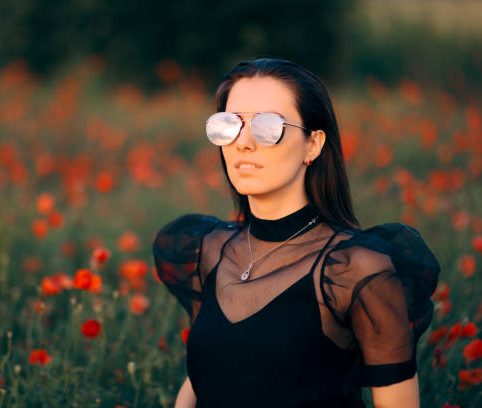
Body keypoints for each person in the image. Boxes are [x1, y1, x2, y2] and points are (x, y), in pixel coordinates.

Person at [152, 58, 440, 408]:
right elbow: (203, 377)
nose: (243, 143)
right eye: (229, 124)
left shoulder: (355, 269)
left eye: (268, 127)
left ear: (313, 145)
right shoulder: (205, 249)